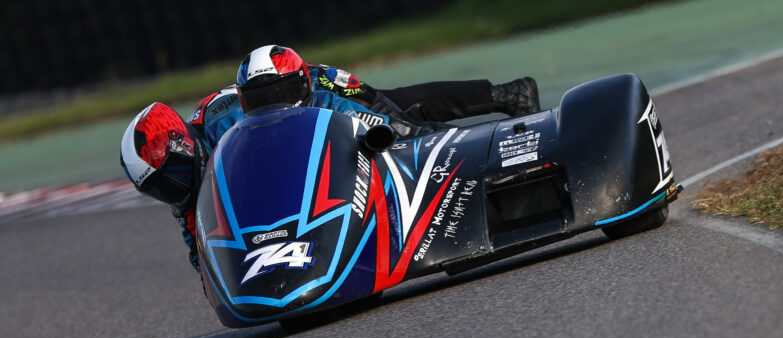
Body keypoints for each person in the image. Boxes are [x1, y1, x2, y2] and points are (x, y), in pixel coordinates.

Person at [119, 44, 541, 269]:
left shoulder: (226, 123)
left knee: (405, 129)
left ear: (183, 146)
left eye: (168, 175)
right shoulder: (190, 178)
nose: (171, 186)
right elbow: (200, 246)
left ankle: (500, 118)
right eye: (158, 186)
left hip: (318, 94)